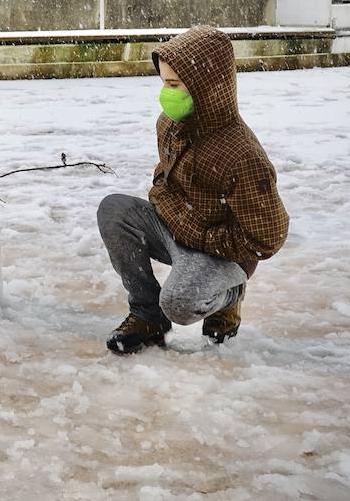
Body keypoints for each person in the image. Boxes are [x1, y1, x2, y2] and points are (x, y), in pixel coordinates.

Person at [96, 25, 288, 354]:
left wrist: (203, 237)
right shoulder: (170, 125)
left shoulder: (242, 155)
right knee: (115, 210)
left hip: (222, 252)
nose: (166, 93)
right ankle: (147, 315)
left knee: (180, 303)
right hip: (179, 230)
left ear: (206, 87)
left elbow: (269, 236)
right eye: (164, 83)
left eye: (174, 85)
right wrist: (181, 222)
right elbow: (161, 186)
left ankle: (230, 296)